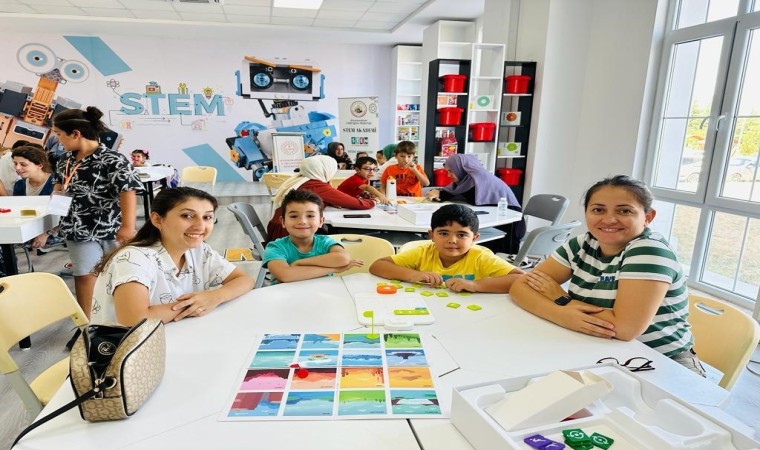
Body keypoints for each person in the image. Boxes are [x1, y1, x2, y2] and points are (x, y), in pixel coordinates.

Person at [509, 175, 705, 375]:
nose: (609, 219)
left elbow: (624, 329)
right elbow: (520, 286)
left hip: (662, 362)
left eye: (624, 211)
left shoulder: (649, 251)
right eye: (598, 210)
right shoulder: (582, 244)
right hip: (601, 350)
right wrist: (560, 314)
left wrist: (561, 298)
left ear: (648, 217)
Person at [90, 187, 254, 326]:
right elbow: (133, 320)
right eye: (187, 216)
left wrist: (214, 297)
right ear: (157, 220)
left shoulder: (199, 251)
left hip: (178, 337)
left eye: (207, 217)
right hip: (129, 350)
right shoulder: (133, 258)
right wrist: (195, 304)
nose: (200, 226)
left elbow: (244, 280)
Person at [52, 106, 143, 325]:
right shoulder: (64, 160)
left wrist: (128, 227)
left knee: (120, 274)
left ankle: (125, 321)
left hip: (110, 227)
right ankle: (89, 325)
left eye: (59, 134)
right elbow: (59, 187)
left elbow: (127, 190)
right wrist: (54, 218)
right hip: (77, 228)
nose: (57, 140)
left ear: (76, 133)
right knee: (84, 275)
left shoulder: (113, 159)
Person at [370, 204, 523, 293]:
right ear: (431, 235)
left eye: (461, 235)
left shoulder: (480, 256)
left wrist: (476, 285)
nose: (452, 240)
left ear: (474, 238)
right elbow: (378, 266)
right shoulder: (423, 252)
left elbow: (519, 278)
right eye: (443, 233)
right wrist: (414, 274)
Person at [426, 153, 526, 253]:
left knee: (462, 239)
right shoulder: (466, 179)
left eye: (451, 171)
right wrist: (439, 193)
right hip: (493, 219)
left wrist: (441, 194)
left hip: (509, 224)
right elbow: (456, 193)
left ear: (460, 168)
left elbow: (469, 197)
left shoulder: (479, 177)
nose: (448, 175)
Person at [266, 155, 374, 241]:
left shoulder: (303, 179)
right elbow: (355, 203)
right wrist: (373, 201)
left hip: (285, 227)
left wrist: (331, 202)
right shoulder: (315, 184)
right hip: (287, 235)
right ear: (324, 169)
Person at [263, 189, 362, 283]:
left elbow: (343, 258)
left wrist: (299, 263)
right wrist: (334, 269)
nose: (302, 221)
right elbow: (286, 275)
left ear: (321, 221)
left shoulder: (325, 242)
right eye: (294, 216)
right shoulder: (275, 247)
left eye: (310, 216)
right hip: (285, 293)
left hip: (321, 292)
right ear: (283, 222)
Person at [11, 145, 58, 249]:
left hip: (52, 231)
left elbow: (62, 215)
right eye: (15, 163)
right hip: (30, 228)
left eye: (23, 164)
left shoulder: (56, 184)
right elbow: (19, 211)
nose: (17, 168)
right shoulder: (20, 184)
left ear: (40, 165)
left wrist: (45, 234)